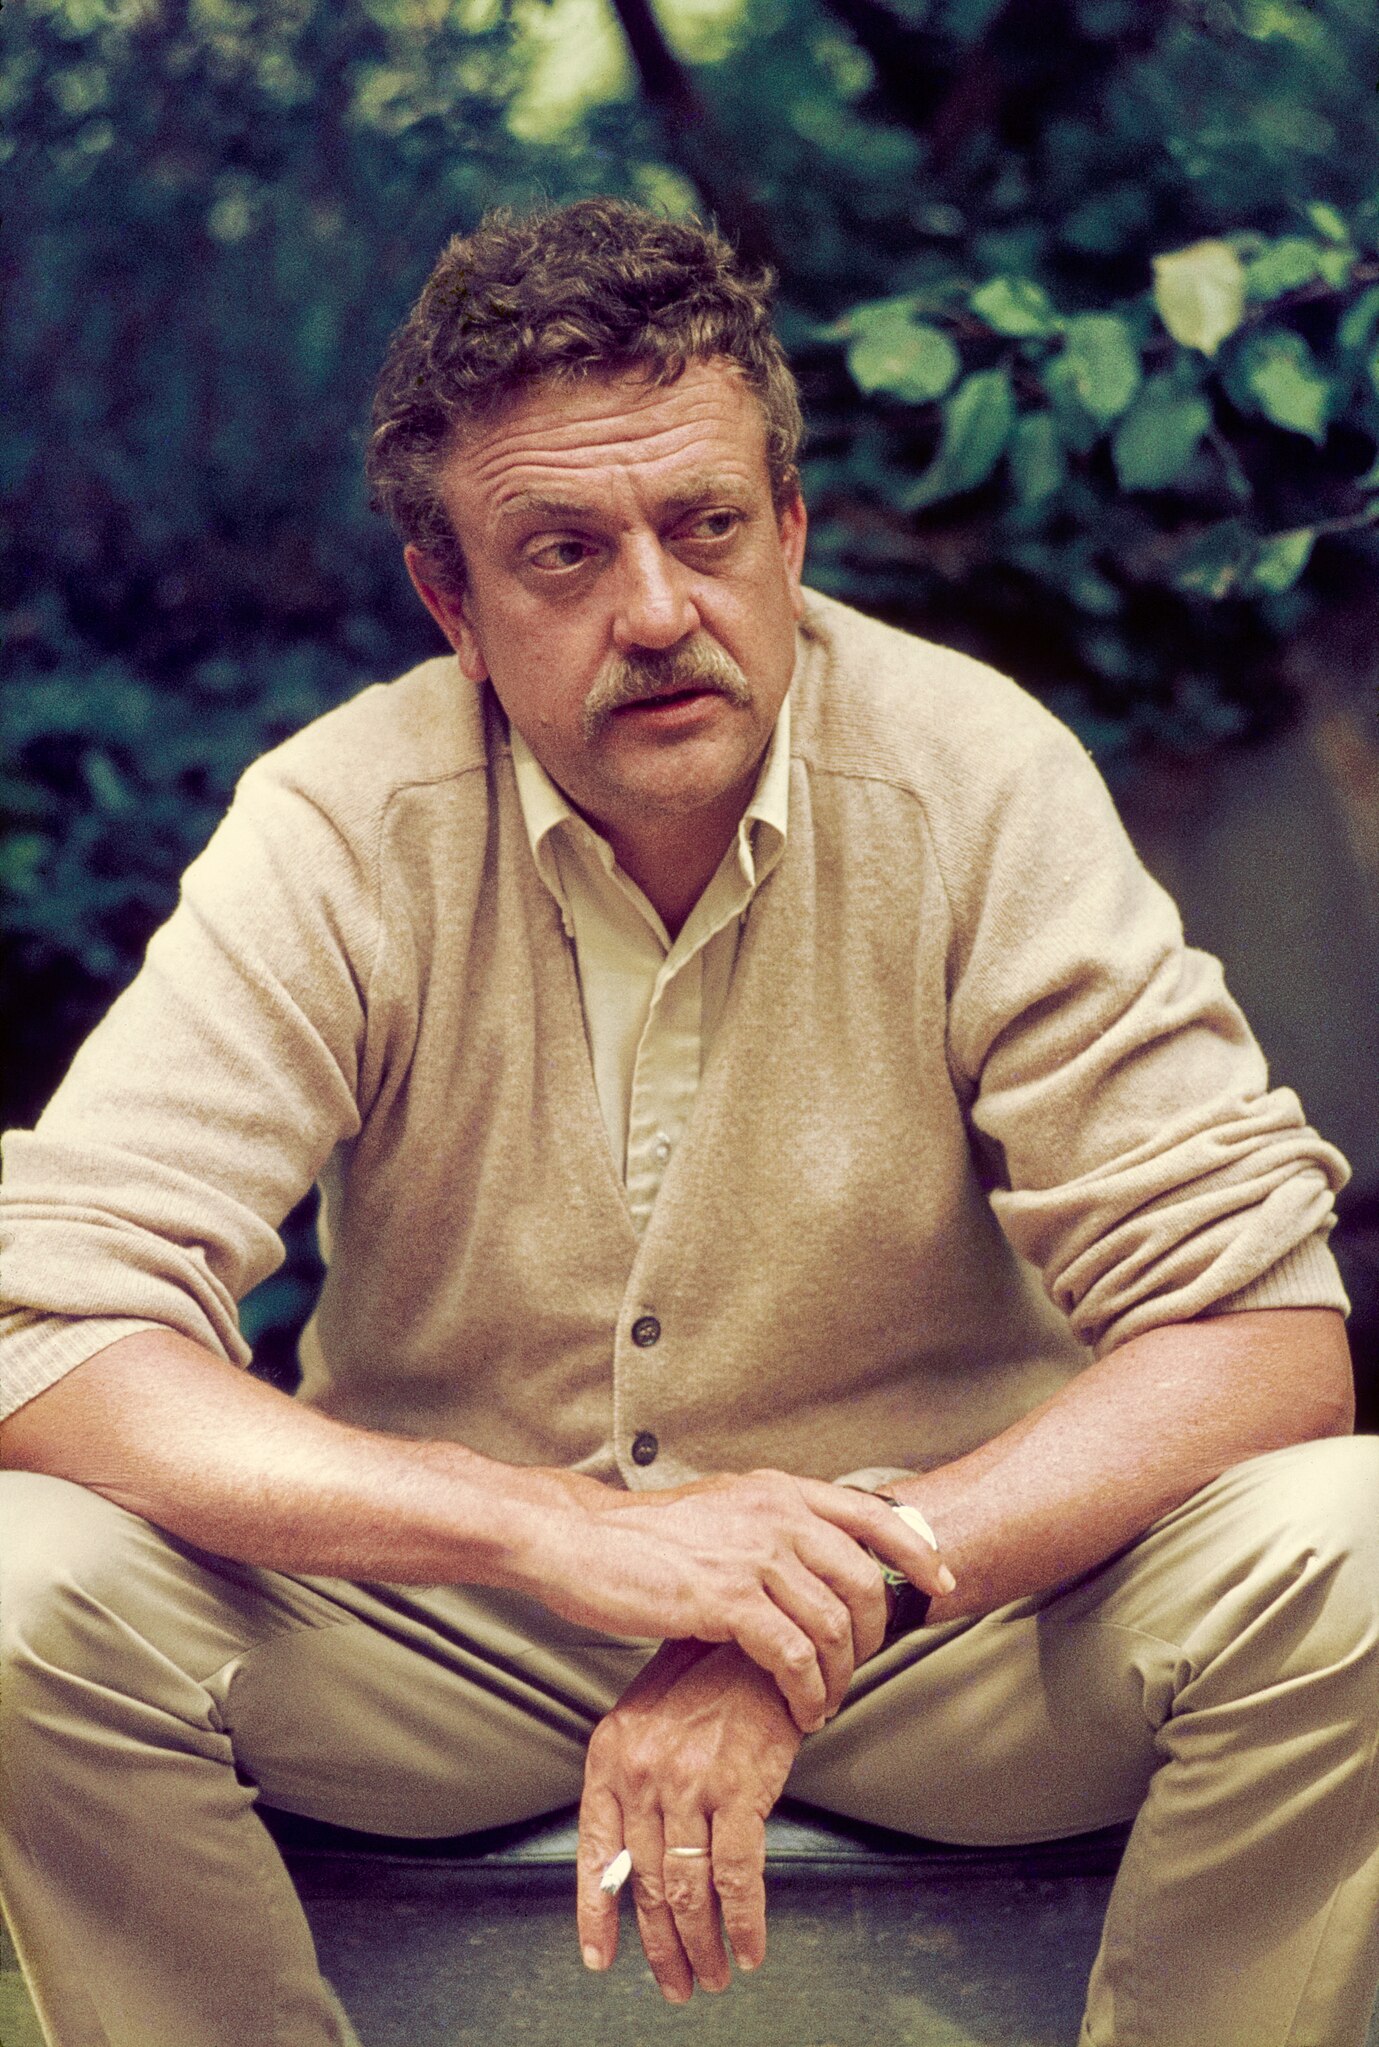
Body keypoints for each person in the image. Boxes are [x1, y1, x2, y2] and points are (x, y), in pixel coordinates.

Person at [0, 197, 1375, 2047]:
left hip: (945, 1629)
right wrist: (534, 1531)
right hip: (444, 1638)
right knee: (18, 1588)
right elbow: (49, 1333)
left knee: (1355, 1545)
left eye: (707, 529)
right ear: (451, 601)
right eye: (561, 551)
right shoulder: (339, 827)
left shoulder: (976, 777)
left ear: (789, 530)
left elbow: (1266, 1348)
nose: (656, 612)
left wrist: (810, 1615)